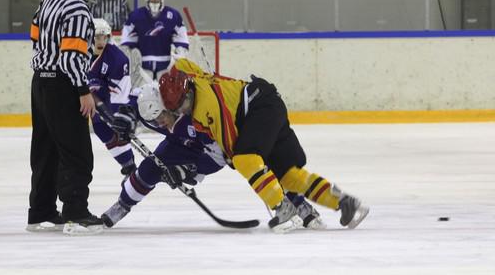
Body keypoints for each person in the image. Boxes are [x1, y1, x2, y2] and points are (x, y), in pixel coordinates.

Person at [157, 59, 370, 233]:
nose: (183, 111)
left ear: (187, 93)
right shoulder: (188, 76)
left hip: (260, 108)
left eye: (183, 104)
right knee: (289, 175)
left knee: (244, 158)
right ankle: (343, 202)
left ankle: (283, 209)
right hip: (268, 102)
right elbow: (181, 63)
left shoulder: (206, 107)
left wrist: (192, 170)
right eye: (177, 109)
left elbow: (231, 153)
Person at [100, 82, 326, 230]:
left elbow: (218, 158)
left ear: (171, 108)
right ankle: (122, 205)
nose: (158, 124)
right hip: (177, 144)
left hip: (214, 144)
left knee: (257, 165)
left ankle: (299, 204)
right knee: (149, 169)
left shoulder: (196, 118)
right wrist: (126, 117)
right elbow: (132, 101)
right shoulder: (150, 102)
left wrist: (188, 171)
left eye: (161, 118)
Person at [27, 0, 105, 235]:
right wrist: (83, 91)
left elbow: (34, 34)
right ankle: (75, 212)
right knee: (77, 152)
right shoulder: (78, 10)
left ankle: (41, 212)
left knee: (45, 150)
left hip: (40, 83)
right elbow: (71, 57)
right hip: (63, 86)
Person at [88, 18, 136, 179]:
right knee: (101, 130)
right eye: (96, 37)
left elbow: (120, 92)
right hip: (89, 100)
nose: (100, 41)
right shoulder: (81, 52)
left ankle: (130, 168)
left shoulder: (117, 59)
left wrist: (116, 115)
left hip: (111, 100)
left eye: (104, 37)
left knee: (117, 130)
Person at [120, 0, 189, 82]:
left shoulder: (173, 15)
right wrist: (128, 52)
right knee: (142, 93)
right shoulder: (136, 15)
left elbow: (181, 37)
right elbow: (127, 39)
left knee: (165, 94)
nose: (155, 0)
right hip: (143, 65)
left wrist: (181, 51)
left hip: (165, 65)